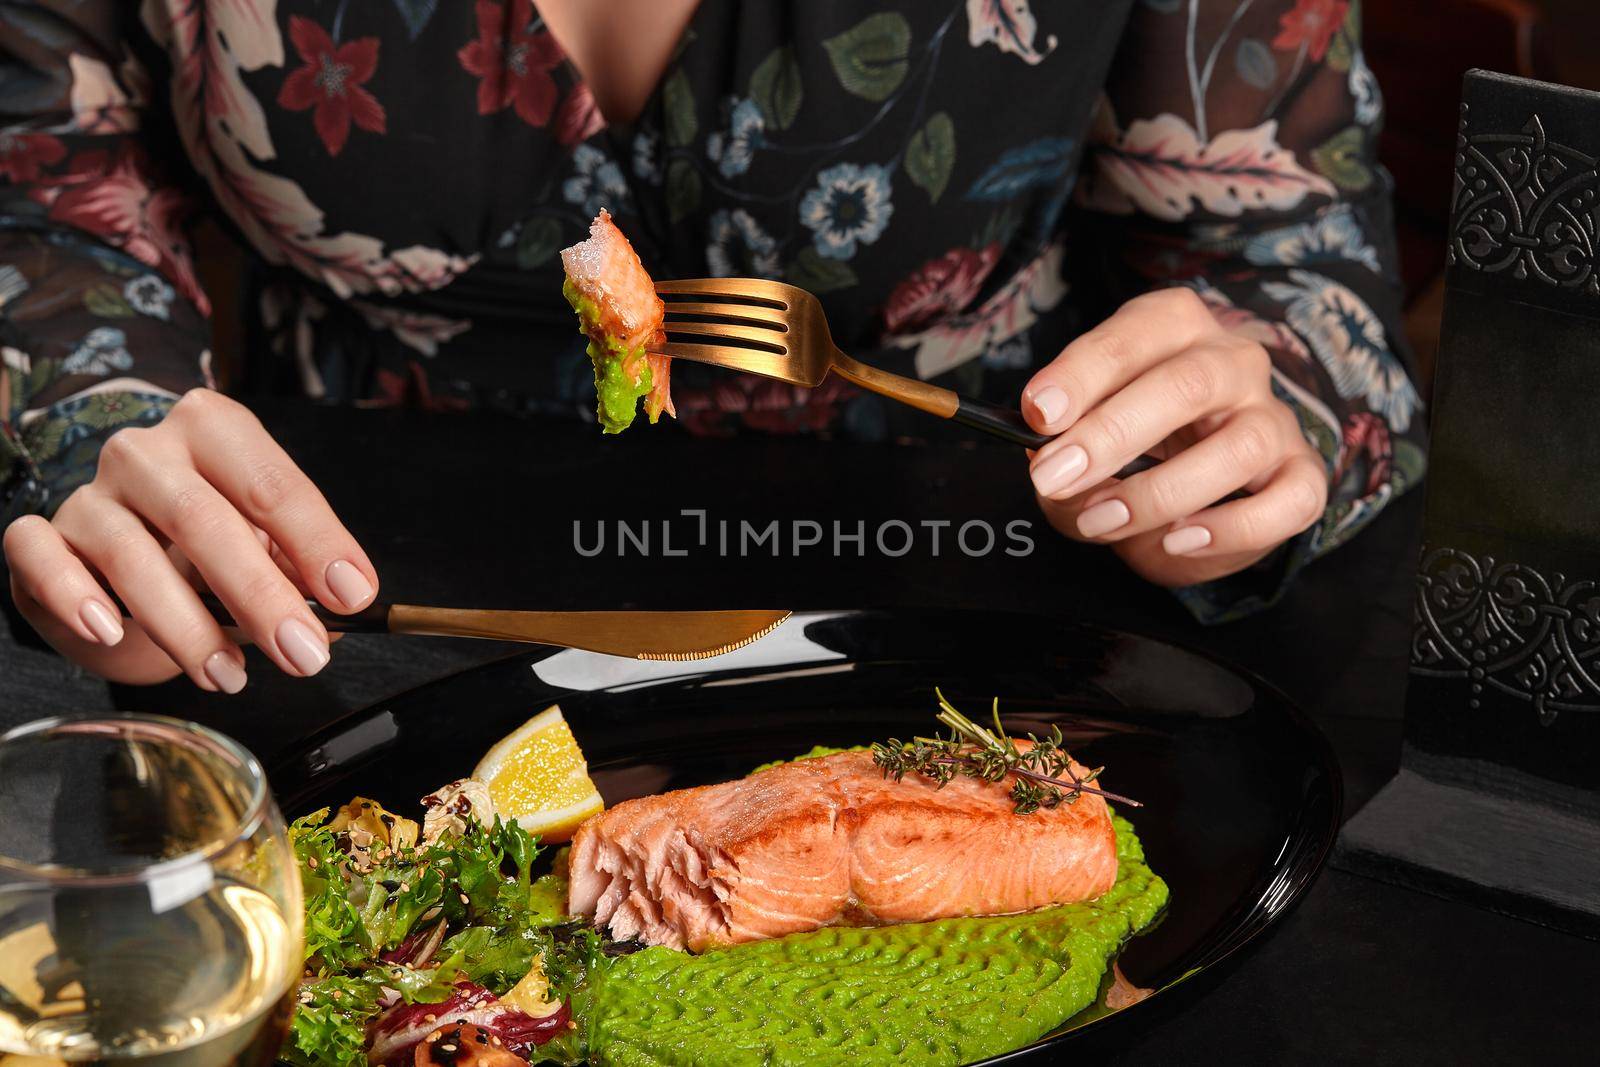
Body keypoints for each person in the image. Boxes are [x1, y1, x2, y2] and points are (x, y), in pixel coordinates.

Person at [0, 0, 1421, 693]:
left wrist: (1266, 397)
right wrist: (82, 413)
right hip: (342, 630)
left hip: (988, 619)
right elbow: (43, 194)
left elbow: (1291, 267)